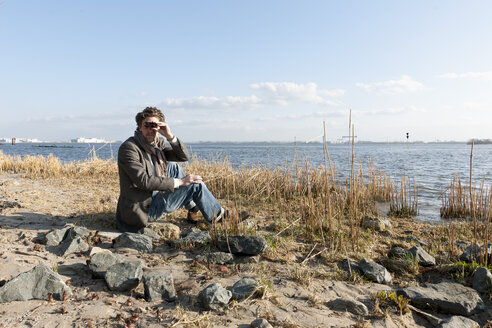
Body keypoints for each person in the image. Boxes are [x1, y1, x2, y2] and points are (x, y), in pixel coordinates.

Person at [116, 106, 224, 232]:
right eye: (147, 125)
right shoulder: (129, 148)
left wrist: (169, 136)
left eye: (154, 126)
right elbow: (143, 181)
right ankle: (220, 218)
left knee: (172, 166)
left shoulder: (157, 145)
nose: (151, 129)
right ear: (139, 127)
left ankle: (193, 209)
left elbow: (183, 156)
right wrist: (180, 182)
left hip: (153, 196)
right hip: (142, 210)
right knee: (195, 185)